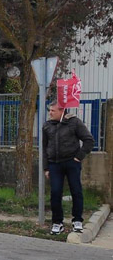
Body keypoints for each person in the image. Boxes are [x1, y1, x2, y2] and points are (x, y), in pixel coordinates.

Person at [43, 100, 95, 235]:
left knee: (76, 191)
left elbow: (89, 140)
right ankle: (57, 222)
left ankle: (77, 220)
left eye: (53, 111)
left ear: (61, 111)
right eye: (50, 110)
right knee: (55, 193)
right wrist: (46, 167)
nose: (50, 113)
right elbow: (44, 148)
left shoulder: (74, 122)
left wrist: (79, 157)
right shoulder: (47, 126)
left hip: (72, 163)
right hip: (54, 164)